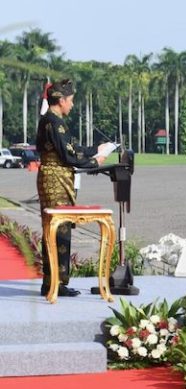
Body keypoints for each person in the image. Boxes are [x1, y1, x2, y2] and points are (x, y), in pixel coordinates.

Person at [36, 79, 107, 297]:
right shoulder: (53, 122)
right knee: (58, 230)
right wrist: (95, 162)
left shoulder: (55, 121)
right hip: (54, 180)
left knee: (60, 229)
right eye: (71, 101)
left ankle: (56, 281)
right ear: (61, 100)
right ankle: (55, 283)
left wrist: (96, 149)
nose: (73, 105)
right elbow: (69, 155)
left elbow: (73, 147)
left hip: (59, 179)